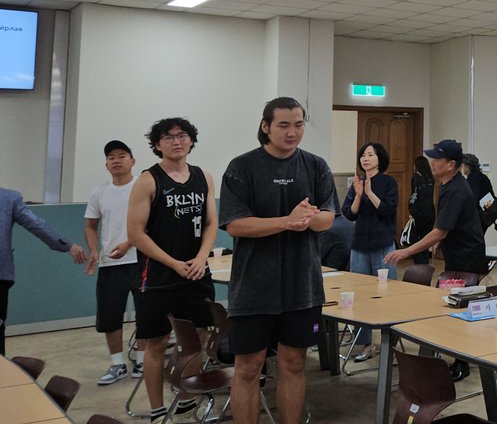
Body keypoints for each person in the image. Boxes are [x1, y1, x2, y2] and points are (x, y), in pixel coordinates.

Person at [221, 97, 335, 424]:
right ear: (266, 127)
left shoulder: (316, 166)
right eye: (283, 125)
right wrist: (287, 221)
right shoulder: (242, 167)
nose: (292, 132)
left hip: (302, 286)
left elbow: (328, 218)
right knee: (248, 367)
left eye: (298, 125)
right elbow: (236, 225)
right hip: (253, 287)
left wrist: (307, 219)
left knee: (294, 364)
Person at [126, 117, 218, 421]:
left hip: (196, 273)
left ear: (191, 140)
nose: (176, 141)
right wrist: (174, 263)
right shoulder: (148, 180)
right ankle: (157, 408)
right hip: (159, 275)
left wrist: (201, 257)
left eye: (182, 136)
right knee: (157, 342)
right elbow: (136, 234)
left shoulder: (204, 177)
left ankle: (186, 396)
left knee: (198, 337)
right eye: (168, 137)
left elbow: (211, 222)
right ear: (157, 145)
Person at [386, 138, 485, 380]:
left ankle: (462, 363)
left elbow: (440, 230)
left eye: (437, 159)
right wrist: (440, 240)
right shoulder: (447, 185)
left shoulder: (457, 190)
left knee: (461, 309)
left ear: (451, 164)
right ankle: (458, 357)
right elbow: (445, 227)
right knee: (453, 307)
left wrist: (406, 251)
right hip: (456, 255)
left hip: (466, 259)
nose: (433, 163)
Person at [84, 140, 143, 385]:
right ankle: (117, 364)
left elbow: (150, 223)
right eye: (111, 157)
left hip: (141, 259)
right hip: (110, 264)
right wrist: (94, 251)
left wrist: (129, 243)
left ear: (132, 160)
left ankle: (142, 360)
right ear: (106, 165)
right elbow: (90, 225)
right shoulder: (99, 192)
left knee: (145, 313)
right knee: (110, 316)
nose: (116, 160)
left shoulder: (142, 186)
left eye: (121, 155)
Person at [0, 189, 87, 355]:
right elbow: (36, 224)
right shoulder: (8, 198)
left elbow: (36, 225)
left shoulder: (8, 198)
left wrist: (67, 245)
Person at [341, 141, 398, 362]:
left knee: (386, 293)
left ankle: (390, 341)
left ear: (379, 159)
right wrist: (358, 194)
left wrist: (370, 193)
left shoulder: (389, 182)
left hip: (383, 244)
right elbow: (349, 214)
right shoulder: (358, 183)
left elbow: (387, 210)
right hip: (360, 245)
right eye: (363, 155)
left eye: (370, 155)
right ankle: (365, 343)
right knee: (360, 295)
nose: (365, 158)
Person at [405, 155, 435, 265]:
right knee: (425, 240)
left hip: (419, 212)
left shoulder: (416, 178)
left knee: (415, 240)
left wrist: (411, 210)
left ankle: (419, 263)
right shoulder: (431, 179)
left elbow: (414, 195)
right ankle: (424, 263)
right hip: (430, 212)